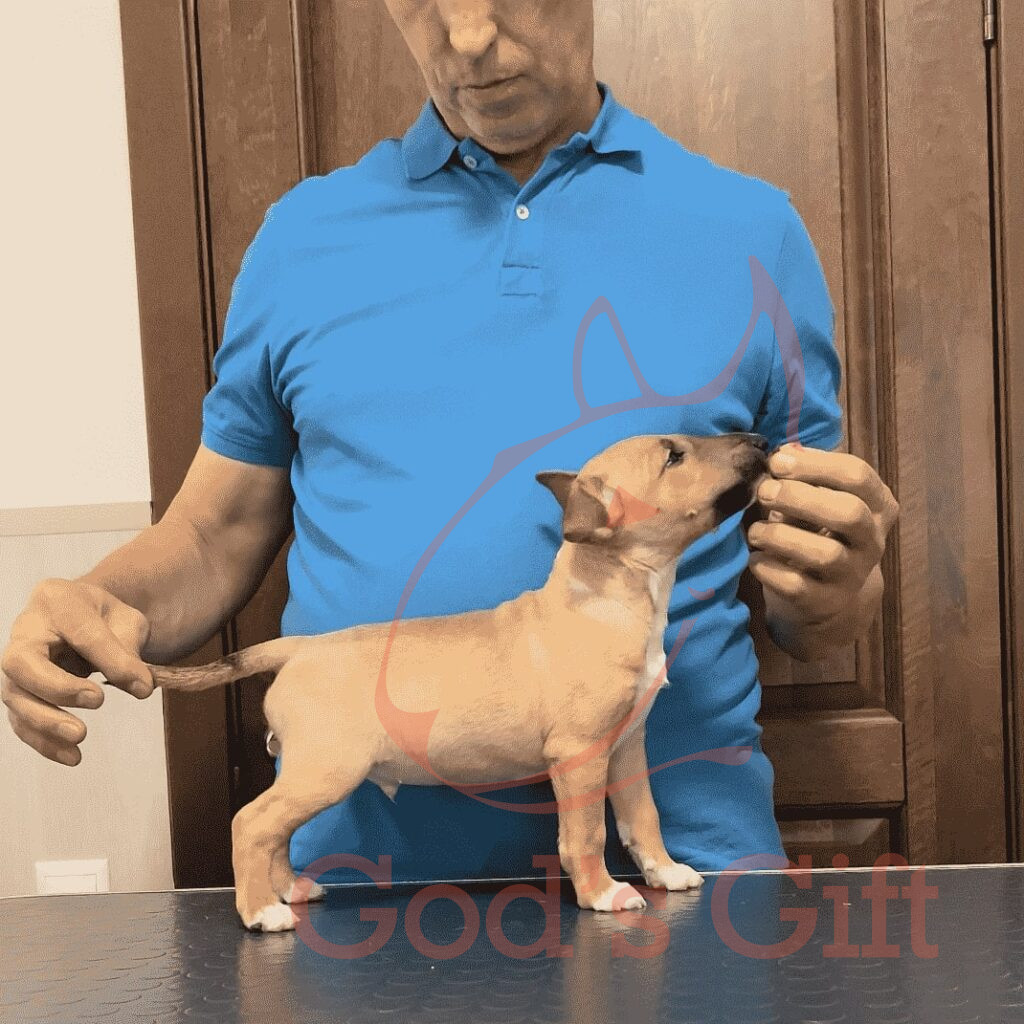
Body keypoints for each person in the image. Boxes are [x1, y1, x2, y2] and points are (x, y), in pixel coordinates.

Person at [1, 0, 898, 884]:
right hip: (363, 896)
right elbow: (212, 534)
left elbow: (809, 586)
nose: (468, 36)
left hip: (695, 889)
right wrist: (104, 599)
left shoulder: (753, 234)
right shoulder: (303, 240)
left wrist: (840, 587)